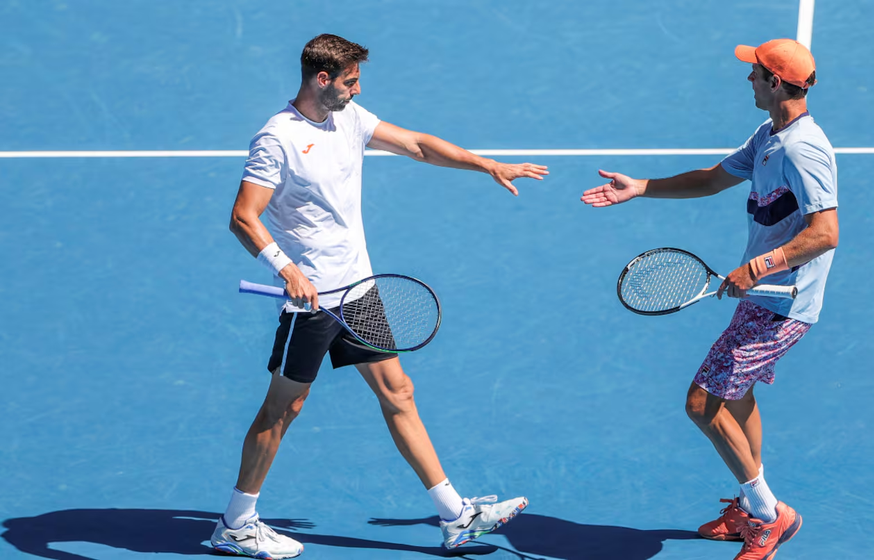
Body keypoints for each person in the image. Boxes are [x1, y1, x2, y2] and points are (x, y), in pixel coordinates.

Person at [212, 33, 548, 559]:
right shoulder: (276, 138)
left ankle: (455, 517)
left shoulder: (349, 117)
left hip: (360, 290)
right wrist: (286, 268)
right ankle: (236, 523)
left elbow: (417, 144)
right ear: (322, 79)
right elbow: (243, 217)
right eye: (350, 80)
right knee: (283, 408)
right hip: (314, 302)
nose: (358, 87)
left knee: (399, 392)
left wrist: (487, 165)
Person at [580, 38, 838, 560]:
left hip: (783, 299)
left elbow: (826, 232)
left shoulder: (802, 149)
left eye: (756, 72)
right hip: (765, 293)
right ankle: (752, 505)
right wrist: (642, 187)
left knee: (702, 404)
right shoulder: (769, 134)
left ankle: (769, 517)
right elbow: (713, 179)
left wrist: (757, 266)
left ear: (777, 83)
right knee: (737, 393)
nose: (748, 79)